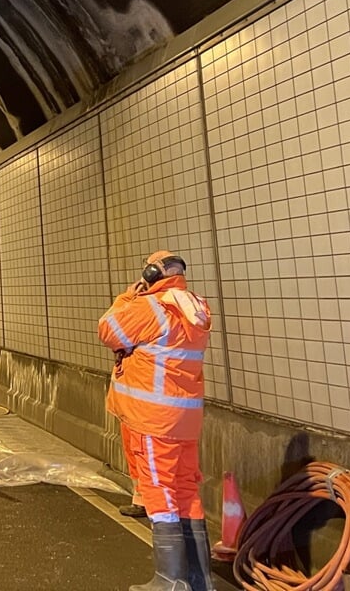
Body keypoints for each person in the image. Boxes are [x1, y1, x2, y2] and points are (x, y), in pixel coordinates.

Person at [98, 250, 214, 591]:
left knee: (159, 491)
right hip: (184, 419)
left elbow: (108, 330)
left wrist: (128, 295)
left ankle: (170, 580)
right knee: (185, 490)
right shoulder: (195, 308)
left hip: (153, 420)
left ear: (151, 274)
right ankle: (200, 579)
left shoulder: (150, 308)